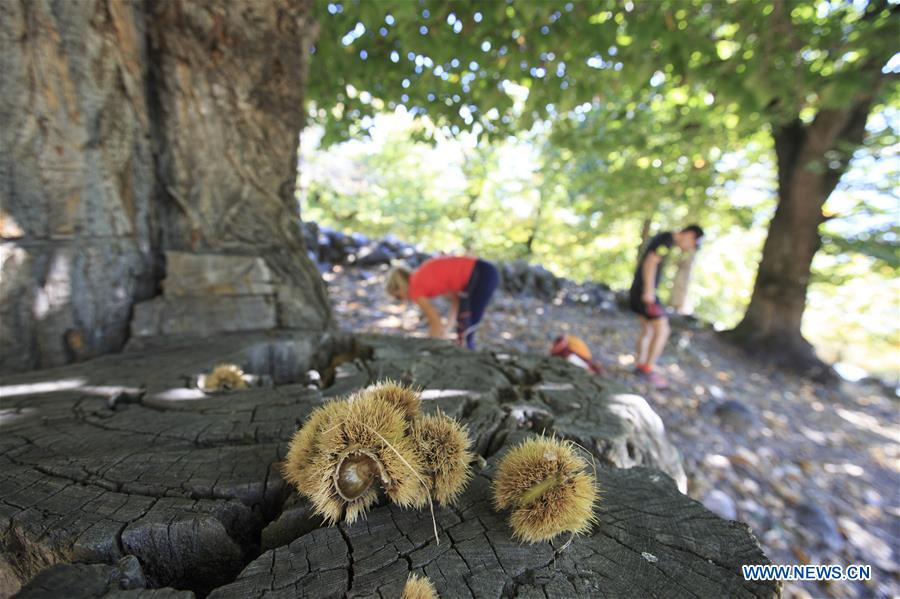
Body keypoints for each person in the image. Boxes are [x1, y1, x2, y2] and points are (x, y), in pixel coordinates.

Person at [629, 224, 704, 388]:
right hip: (645, 293)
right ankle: (647, 369)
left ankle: (640, 365)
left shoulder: (665, 239)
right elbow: (651, 262)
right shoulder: (667, 240)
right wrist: (649, 292)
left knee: (648, 330)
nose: (690, 248)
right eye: (693, 244)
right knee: (663, 331)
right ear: (690, 235)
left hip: (638, 290)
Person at [386, 255, 499, 349]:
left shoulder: (415, 288)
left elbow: (435, 322)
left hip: (481, 275)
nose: (402, 300)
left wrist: (427, 347)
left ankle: (471, 363)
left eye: (398, 297)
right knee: (464, 328)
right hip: (485, 271)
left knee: (466, 331)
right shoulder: (422, 277)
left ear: (399, 287)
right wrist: (447, 329)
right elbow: (456, 301)